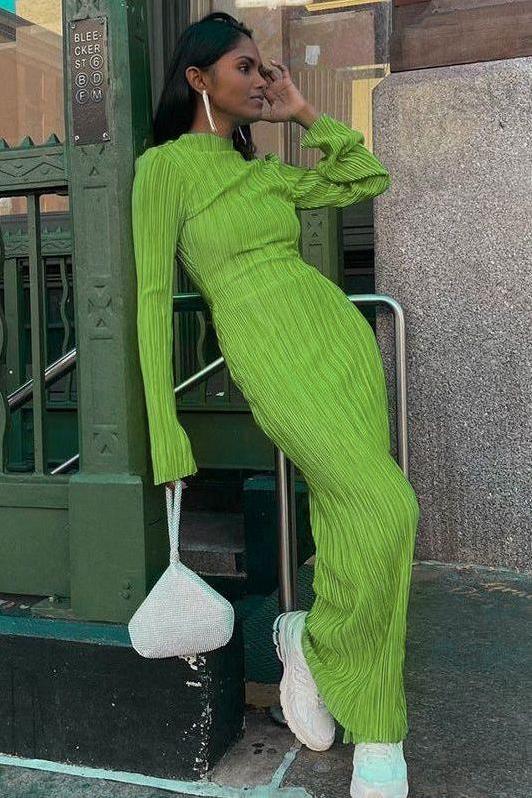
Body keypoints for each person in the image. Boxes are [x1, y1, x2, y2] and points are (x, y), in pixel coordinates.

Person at [131, 11, 419, 798]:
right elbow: (151, 302)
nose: (261, 80)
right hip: (269, 352)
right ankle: (374, 715)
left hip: (337, 341)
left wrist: (302, 113)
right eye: (245, 67)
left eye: (265, 69)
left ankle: (317, 645)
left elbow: (365, 178)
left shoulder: (263, 173)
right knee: (388, 506)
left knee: (351, 513)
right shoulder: (163, 171)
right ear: (198, 79)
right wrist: (165, 429)